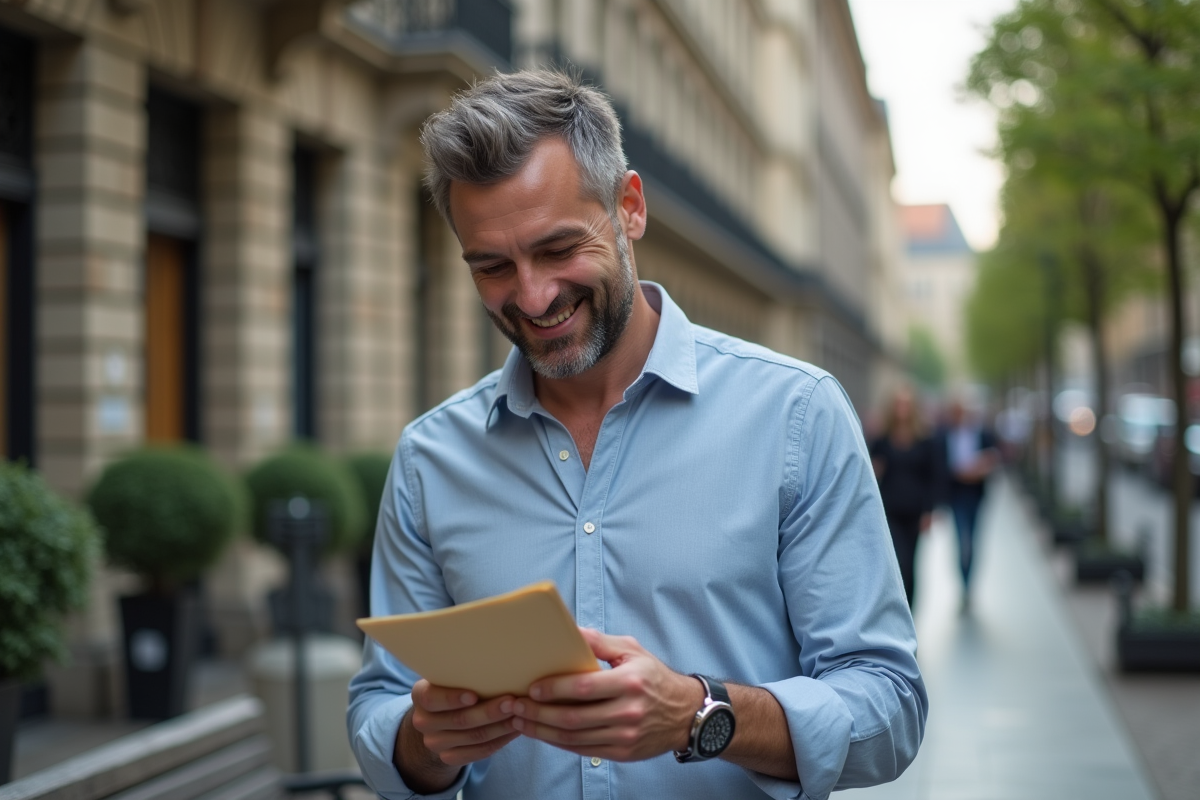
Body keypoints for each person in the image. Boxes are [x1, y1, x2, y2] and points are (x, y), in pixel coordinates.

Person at [347, 70, 927, 800]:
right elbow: (379, 709)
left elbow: (890, 708)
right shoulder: (432, 459)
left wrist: (701, 714)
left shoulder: (796, 415)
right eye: (492, 266)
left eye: (558, 249)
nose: (531, 296)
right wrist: (425, 741)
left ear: (630, 208)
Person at [868, 386, 939, 608]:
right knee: (899, 562)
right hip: (890, 510)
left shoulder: (925, 440)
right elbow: (872, 472)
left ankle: (911, 611)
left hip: (915, 511)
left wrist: (929, 511)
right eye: (899, 404)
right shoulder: (882, 439)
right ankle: (899, 608)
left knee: (911, 565)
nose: (902, 409)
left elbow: (932, 477)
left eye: (906, 404)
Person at [940, 398, 999, 610]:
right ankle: (963, 584)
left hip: (975, 494)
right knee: (960, 540)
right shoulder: (944, 435)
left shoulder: (982, 433)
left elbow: (994, 456)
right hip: (956, 495)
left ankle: (969, 585)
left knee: (972, 541)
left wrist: (980, 467)